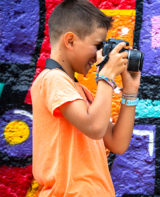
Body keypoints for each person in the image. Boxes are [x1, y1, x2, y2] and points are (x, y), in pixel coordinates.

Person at [31, 0, 141, 196]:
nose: (99, 55)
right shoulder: (52, 79)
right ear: (70, 41)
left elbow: (118, 143)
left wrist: (130, 92)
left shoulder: (82, 92)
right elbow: (95, 127)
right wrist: (106, 76)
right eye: (97, 45)